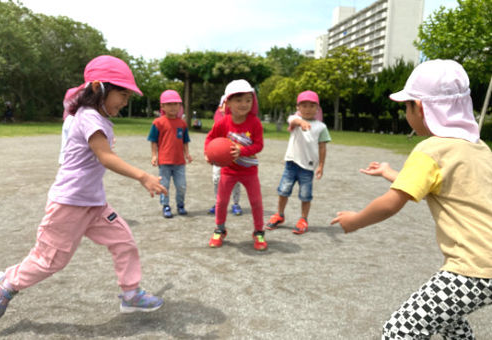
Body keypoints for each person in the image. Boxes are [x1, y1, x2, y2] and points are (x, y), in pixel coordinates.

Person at [0, 55, 168, 320]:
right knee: (50, 261)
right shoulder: (89, 116)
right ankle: (7, 284)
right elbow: (105, 157)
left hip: (94, 204)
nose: (126, 101)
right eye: (122, 93)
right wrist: (142, 176)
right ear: (98, 88)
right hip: (69, 204)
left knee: (124, 241)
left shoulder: (99, 119)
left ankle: (131, 294)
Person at [331, 59, 492, 339]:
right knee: (447, 321)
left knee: (400, 329)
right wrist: (390, 172)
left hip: (474, 269)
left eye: (406, 106)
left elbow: (391, 203)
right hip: (484, 269)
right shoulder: (477, 148)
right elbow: (434, 185)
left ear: (420, 107)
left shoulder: (430, 150)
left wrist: (354, 221)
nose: (407, 112)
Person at [204, 79, 267, 251]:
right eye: (238, 100)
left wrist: (242, 151)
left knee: (256, 202)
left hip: (249, 171)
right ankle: (219, 229)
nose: (244, 104)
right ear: (228, 102)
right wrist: (208, 153)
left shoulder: (255, 123)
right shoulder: (223, 122)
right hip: (229, 170)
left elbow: (259, 145)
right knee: (222, 201)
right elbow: (210, 139)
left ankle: (259, 232)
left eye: (248, 100)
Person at [266, 91, 330, 234]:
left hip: (307, 168)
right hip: (291, 164)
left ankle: (303, 219)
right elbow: (292, 121)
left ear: (318, 108)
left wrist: (321, 165)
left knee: (306, 195)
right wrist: (301, 122)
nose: (308, 109)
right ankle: (279, 215)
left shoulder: (321, 127)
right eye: (304, 106)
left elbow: (322, 147)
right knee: (283, 191)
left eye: (312, 106)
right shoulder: (294, 119)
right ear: (298, 107)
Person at [147, 90, 192, 218]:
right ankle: (166, 206)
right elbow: (153, 141)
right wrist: (154, 156)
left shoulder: (182, 124)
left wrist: (187, 154)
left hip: (179, 162)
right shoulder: (158, 123)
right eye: (170, 104)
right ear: (163, 107)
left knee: (181, 185)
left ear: (180, 106)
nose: (173, 107)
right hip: (165, 162)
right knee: (164, 186)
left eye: (176, 104)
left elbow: (185, 141)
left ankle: (180, 205)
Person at [208, 94, 243, 216]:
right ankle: (219, 202)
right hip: (219, 158)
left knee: (235, 181)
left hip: (233, 158)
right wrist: (209, 154)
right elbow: (211, 140)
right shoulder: (217, 124)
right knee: (217, 179)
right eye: (225, 104)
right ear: (221, 107)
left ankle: (235, 203)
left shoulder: (238, 123)